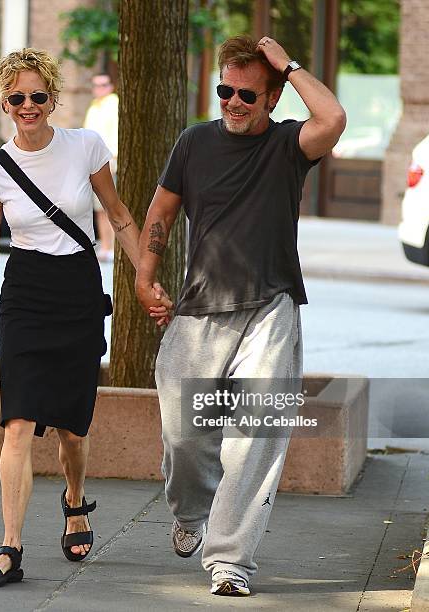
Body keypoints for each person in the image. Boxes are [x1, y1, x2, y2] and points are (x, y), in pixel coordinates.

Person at [135, 35, 346, 596]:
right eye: (224, 90)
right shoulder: (193, 142)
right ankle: (189, 513)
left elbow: (333, 115)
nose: (232, 101)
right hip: (199, 308)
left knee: (255, 436)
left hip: (271, 306)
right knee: (184, 436)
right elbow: (161, 210)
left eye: (247, 94)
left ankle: (230, 560)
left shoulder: (289, 145)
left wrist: (290, 65)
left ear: (273, 98)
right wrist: (142, 273)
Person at [0, 47, 171, 587]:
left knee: (70, 429)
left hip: (78, 289)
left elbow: (121, 216)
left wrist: (143, 278)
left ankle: (75, 501)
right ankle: (10, 547)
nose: (27, 105)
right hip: (26, 293)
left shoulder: (85, 146)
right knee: (17, 422)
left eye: (37, 95)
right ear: (5, 103)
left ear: (52, 98)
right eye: (16, 97)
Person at [83, 73, 118, 262]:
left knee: (110, 207)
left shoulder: (113, 104)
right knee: (99, 208)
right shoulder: (94, 107)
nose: (100, 88)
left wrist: (112, 161)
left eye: (104, 84)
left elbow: (114, 136)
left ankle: (111, 247)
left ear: (111, 86)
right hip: (93, 164)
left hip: (109, 163)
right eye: (96, 85)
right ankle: (105, 246)